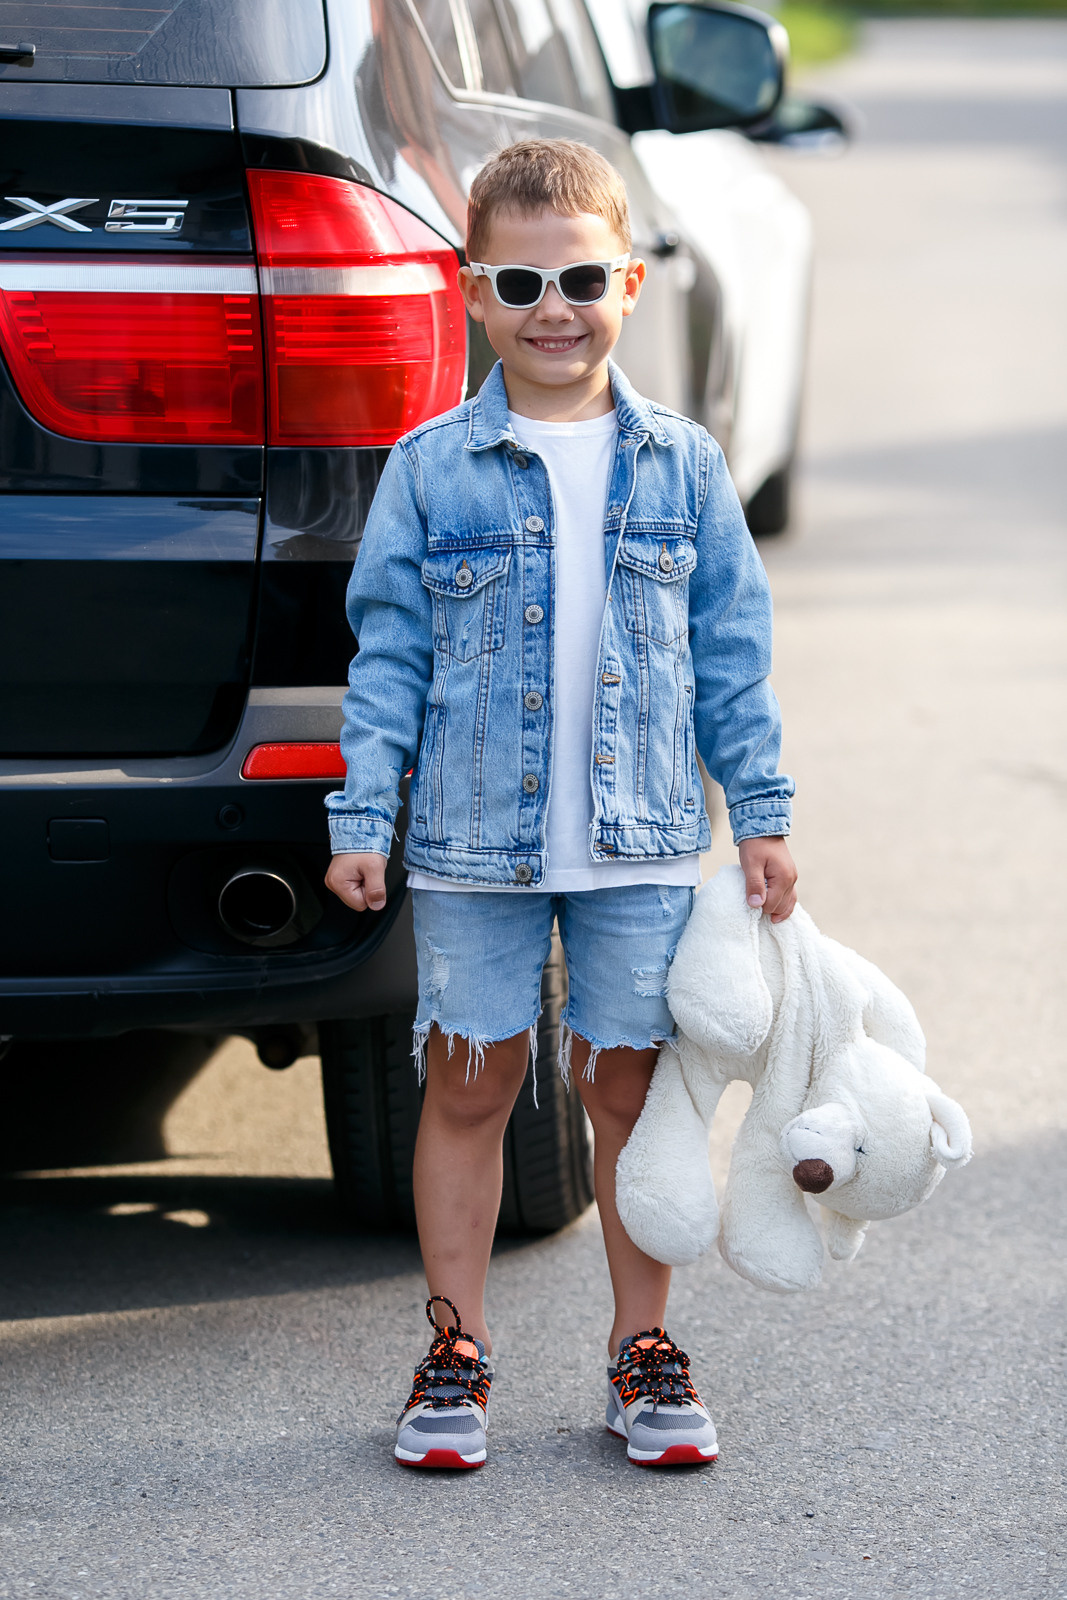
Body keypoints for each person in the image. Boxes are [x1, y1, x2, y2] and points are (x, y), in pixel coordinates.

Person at [324, 139, 797, 1471]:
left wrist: (762, 812)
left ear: (629, 283)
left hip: (640, 844)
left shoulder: (685, 466)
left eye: (581, 279)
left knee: (629, 1094)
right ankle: (455, 1351)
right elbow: (389, 658)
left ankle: (642, 1350)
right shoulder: (429, 468)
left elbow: (731, 656)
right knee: (471, 1084)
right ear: (473, 290)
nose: (554, 309)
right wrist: (362, 818)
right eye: (520, 282)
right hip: (470, 844)